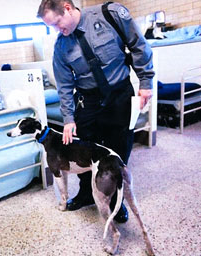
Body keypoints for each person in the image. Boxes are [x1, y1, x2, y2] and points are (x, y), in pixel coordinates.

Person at [37, 1, 154, 222]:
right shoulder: (61, 46)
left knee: (118, 152)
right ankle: (85, 194)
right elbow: (64, 86)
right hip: (87, 101)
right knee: (82, 150)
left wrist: (146, 82)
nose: (57, 30)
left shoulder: (109, 14)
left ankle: (116, 202)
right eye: (52, 27)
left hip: (119, 94)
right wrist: (69, 119)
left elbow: (138, 44)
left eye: (57, 22)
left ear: (67, 8)